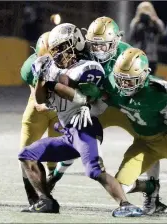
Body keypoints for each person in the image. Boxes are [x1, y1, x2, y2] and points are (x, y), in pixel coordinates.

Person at [49, 16, 167, 215]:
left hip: (124, 105)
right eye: (94, 45)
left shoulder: (127, 55)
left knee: (150, 138)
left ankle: (153, 198)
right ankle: (55, 176)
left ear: (116, 41)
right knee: (78, 132)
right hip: (100, 105)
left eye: (104, 45)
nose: (98, 50)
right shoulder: (84, 52)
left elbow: (142, 85)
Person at [18, 23, 142, 217]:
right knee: (26, 155)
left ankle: (125, 204)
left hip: (86, 127)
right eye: (55, 49)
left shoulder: (88, 67)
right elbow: (40, 99)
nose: (57, 53)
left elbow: (75, 91)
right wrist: (41, 79)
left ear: (75, 44)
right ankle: (46, 200)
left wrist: (50, 79)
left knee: (94, 171)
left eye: (61, 47)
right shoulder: (47, 67)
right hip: (68, 132)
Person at [79, 48, 167, 214]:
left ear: (143, 77)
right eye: (120, 79)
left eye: (129, 81)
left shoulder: (156, 92)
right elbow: (101, 106)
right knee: (120, 185)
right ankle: (149, 187)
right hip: (143, 143)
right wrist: (88, 102)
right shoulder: (113, 85)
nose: (123, 85)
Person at [20, 32, 61, 209]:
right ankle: (35, 200)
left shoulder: (71, 62)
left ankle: (46, 196)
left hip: (61, 107)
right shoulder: (30, 67)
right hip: (42, 107)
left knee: (55, 160)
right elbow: (38, 102)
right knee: (26, 153)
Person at [128, 1, 165, 74]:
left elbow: (162, 35)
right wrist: (139, 26)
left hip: (152, 57)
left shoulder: (156, 22)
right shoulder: (135, 23)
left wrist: (153, 22)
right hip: (138, 56)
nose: (145, 12)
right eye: (143, 10)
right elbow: (131, 39)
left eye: (147, 9)